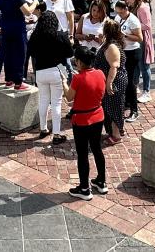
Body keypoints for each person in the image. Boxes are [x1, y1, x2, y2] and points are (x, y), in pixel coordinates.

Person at [62, 46, 107, 201]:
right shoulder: (100, 73)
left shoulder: (78, 78)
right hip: (98, 116)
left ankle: (84, 188)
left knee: (82, 154)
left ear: (80, 62)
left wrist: (64, 82)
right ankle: (101, 181)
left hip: (82, 120)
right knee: (97, 149)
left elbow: (69, 97)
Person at [27, 11, 73, 144]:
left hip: (40, 72)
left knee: (43, 101)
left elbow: (31, 53)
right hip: (56, 71)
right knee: (56, 103)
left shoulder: (35, 36)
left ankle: (43, 129)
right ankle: (57, 134)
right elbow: (70, 53)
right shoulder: (60, 35)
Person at [0, 0, 37, 91]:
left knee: (8, 53)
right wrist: (35, 2)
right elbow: (28, 12)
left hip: (5, 26)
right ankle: (18, 81)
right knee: (20, 53)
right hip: (18, 28)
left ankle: (9, 79)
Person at [93, 19, 128, 145]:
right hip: (111, 80)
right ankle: (113, 131)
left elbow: (114, 67)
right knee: (109, 107)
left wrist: (109, 84)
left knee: (114, 108)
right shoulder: (109, 43)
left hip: (114, 82)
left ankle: (117, 135)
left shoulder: (112, 46)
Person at [114, 0, 142, 123]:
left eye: (120, 12)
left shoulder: (133, 20)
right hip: (122, 51)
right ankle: (126, 103)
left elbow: (139, 38)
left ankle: (134, 110)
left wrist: (124, 35)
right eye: (117, 13)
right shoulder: (117, 18)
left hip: (132, 52)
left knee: (131, 82)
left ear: (126, 9)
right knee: (122, 79)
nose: (119, 15)